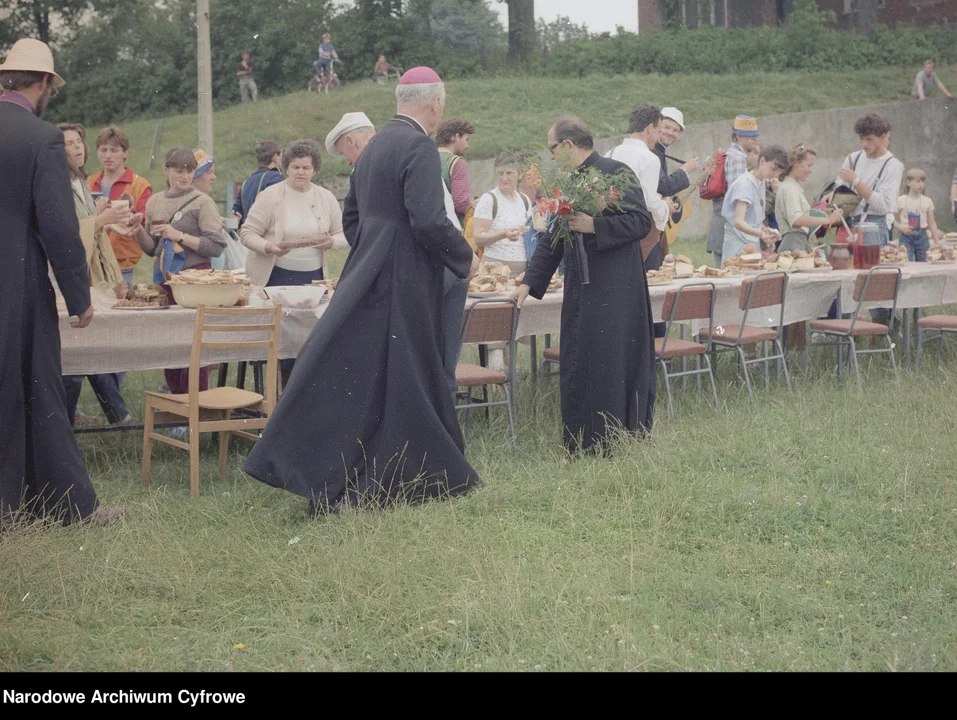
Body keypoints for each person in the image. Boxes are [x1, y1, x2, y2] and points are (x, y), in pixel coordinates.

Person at [244, 66, 480, 515]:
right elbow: (429, 220)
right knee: (407, 373)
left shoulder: (370, 152)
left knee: (369, 373)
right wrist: (464, 257)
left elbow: (352, 220)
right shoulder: (419, 148)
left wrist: (374, 247)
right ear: (435, 105)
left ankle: (359, 469)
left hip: (369, 272)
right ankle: (414, 471)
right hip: (407, 276)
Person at [0, 38, 123, 526]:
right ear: (45, 83)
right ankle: (68, 506)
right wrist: (78, 297)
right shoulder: (41, 138)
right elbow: (57, 227)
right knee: (38, 384)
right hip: (16, 279)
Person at [513, 115, 655, 455]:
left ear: (568, 145)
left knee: (610, 361)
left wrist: (595, 226)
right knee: (580, 358)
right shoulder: (569, 183)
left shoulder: (614, 172)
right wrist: (529, 282)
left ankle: (615, 437)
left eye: (552, 149)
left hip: (616, 288)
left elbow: (640, 221)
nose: (550, 158)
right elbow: (554, 237)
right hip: (582, 286)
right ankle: (582, 440)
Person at [240, 139, 347, 382]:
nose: (301, 172)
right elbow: (247, 233)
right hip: (277, 277)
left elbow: (344, 234)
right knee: (278, 343)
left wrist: (331, 242)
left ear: (315, 170)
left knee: (311, 343)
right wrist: (268, 246)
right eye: (296, 167)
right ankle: (274, 398)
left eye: (306, 168)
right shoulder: (271, 196)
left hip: (313, 280)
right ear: (286, 168)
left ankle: (305, 398)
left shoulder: (326, 197)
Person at [58, 121, 134, 427]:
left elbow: (91, 224)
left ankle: (104, 415)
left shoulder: (79, 179)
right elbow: (66, 233)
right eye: (68, 143)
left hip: (92, 271)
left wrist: (111, 221)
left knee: (90, 347)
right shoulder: (58, 182)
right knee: (81, 350)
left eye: (79, 141)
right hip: (75, 275)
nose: (77, 147)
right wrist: (102, 218)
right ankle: (68, 422)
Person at [134, 146, 226, 397]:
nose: (184, 177)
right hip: (166, 279)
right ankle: (177, 405)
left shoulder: (203, 202)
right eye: (178, 171)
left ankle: (197, 405)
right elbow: (153, 249)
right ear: (166, 170)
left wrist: (180, 236)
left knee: (197, 345)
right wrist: (138, 230)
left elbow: (216, 247)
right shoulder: (154, 202)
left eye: (189, 171)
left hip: (196, 281)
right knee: (170, 343)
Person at [87, 125, 153, 285]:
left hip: (122, 265)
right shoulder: (89, 182)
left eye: (114, 150)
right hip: (91, 262)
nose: (108, 155)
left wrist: (132, 218)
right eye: (103, 150)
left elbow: (145, 223)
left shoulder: (140, 185)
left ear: (125, 152)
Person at [606, 105, 669, 268]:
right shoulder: (649, 158)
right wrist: (665, 207)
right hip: (642, 232)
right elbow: (647, 200)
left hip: (614, 232)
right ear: (649, 128)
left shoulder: (610, 153)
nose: (659, 138)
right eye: (659, 131)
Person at [707, 115, 760, 267]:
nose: (754, 139)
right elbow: (737, 192)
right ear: (738, 136)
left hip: (723, 219)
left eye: (755, 136)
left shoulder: (733, 155)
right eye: (750, 136)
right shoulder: (737, 157)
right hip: (728, 222)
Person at [721, 145, 788, 260]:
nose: (775, 175)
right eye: (773, 169)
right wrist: (760, 234)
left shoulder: (760, 181)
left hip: (752, 241)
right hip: (737, 244)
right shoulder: (744, 184)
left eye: (779, 172)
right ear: (762, 161)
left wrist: (765, 232)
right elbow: (739, 222)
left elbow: (754, 219)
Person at [472, 152, 533, 277]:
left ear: (520, 174)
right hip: (493, 271)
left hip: (522, 271)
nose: (504, 178)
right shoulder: (489, 199)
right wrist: (503, 234)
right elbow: (478, 238)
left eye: (509, 173)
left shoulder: (525, 200)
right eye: (500, 173)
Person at [775, 143, 843, 253]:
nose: (811, 170)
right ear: (796, 163)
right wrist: (828, 220)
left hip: (796, 243)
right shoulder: (790, 189)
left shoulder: (790, 186)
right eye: (809, 165)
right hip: (793, 245)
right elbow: (796, 220)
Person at [654, 106, 699, 228]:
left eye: (675, 130)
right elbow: (662, 186)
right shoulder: (653, 150)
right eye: (666, 127)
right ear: (657, 126)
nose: (670, 133)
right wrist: (685, 170)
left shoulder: (659, 151)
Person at [895, 168, 943, 262]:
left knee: (923, 261)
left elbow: (932, 223)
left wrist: (937, 242)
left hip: (922, 235)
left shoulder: (927, 201)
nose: (921, 184)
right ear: (908, 183)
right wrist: (901, 228)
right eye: (917, 181)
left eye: (923, 181)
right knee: (905, 260)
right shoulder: (901, 200)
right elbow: (891, 220)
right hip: (906, 236)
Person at [232, 140, 284, 224]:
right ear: (275, 157)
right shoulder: (275, 178)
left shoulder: (247, 182)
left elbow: (235, 213)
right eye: (281, 156)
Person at [435, 117, 475, 225]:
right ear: (456, 137)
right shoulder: (457, 162)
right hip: (451, 227)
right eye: (466, 139)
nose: (467, 145)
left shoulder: (427, 157)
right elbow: (461, 204)